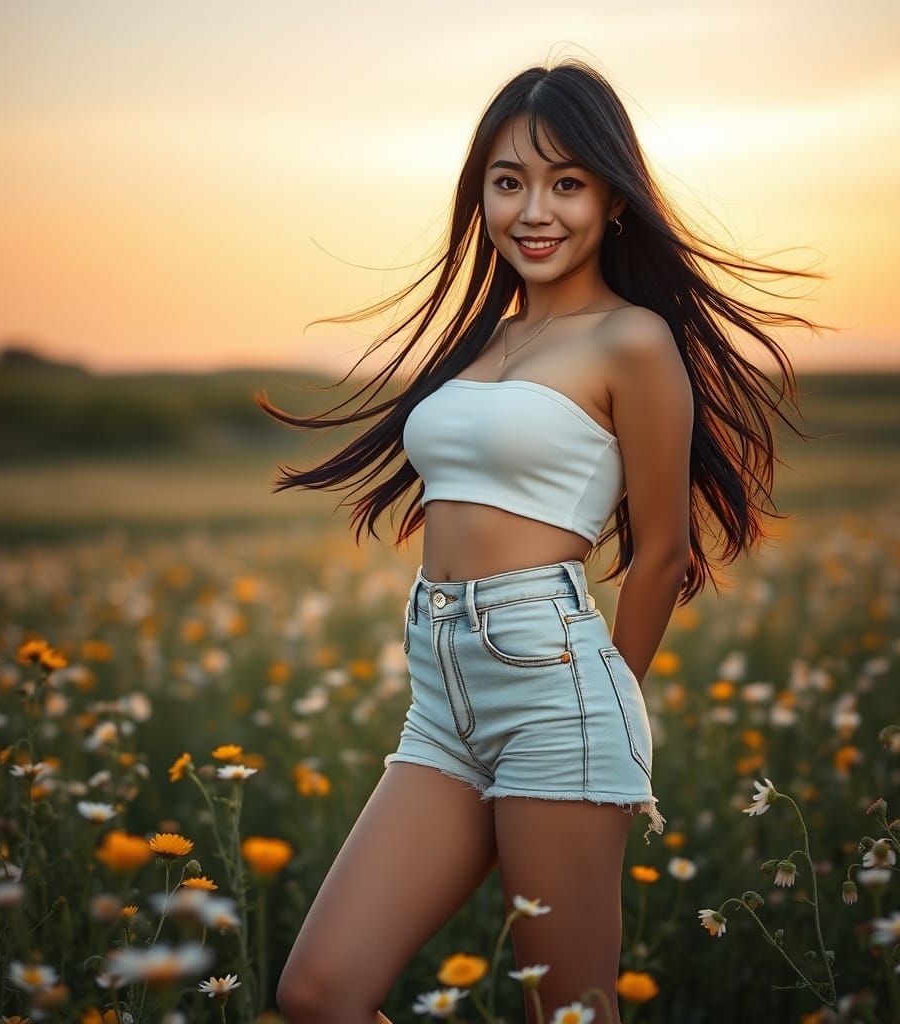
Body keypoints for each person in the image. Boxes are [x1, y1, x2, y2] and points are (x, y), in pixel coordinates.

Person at [261, 57, 827, 1024]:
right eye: (509, 180)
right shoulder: (485, 343)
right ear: (478, 193)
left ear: (613, 199)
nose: (536, 209)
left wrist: (604, 704)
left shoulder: (632, 341)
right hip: (442, 698)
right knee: (318, 993)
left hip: (557, 686)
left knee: (567, 1016)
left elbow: (661, 555)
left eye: (566, 182)